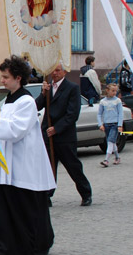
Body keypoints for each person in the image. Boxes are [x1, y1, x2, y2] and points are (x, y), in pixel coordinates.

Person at [0, 55, 56, 255]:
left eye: (5, 77)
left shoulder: (26, 102)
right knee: (2, 211)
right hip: (3, 165)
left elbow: (15, 130)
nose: (2, 80)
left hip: (21, 166)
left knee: (22, 211)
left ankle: (26, 249)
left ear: (18, 78)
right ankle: (2, 250)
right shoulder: (8, 101)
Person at [36, 63, 93, 206]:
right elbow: (36, 106)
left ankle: (86, 193)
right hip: (48, 136)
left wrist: (57, 128)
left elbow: (73, 114)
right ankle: (47, 195)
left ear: (64, 72)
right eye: (52, 70)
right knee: (48, 167)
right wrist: (43, 94)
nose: (55, 73)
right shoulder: (48, 87)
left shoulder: (72, 88)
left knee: (73, 166)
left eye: (58, 70)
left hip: (64, 136)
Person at [97, 83, 124, 167]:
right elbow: (99, 114)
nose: (114, 92)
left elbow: (120, 114)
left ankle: (106, 160)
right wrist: (100, 124)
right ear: (107, 91)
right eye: (112, 91)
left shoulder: (117, 101)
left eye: (116, 91)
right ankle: (117, 157)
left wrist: (120, 125)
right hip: (107, 124)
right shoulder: (103, 101)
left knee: (110, 142)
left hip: (114, 124)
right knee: (112, 142)